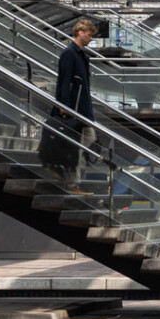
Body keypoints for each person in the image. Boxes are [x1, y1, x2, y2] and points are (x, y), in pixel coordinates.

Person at [53, 18, 98, 193]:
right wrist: (64, 105)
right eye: (89, 35)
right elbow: (64, 81)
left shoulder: (80, 55)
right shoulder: (69, 54)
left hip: (82, 106)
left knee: (88, 138)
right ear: (80, 33)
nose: (91, 39)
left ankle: (66, 169)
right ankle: (71, 182)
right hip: (74, 108)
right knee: (78, 143)